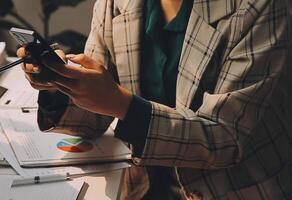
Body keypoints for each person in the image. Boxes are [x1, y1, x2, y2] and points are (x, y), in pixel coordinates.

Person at [17, 0, 292, 199]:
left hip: (234, 187)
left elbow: (224, 139)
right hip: (143, 185)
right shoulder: (115, 4)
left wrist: (122, 105)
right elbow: (97, 115)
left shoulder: (259, 7)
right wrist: (60, 86)